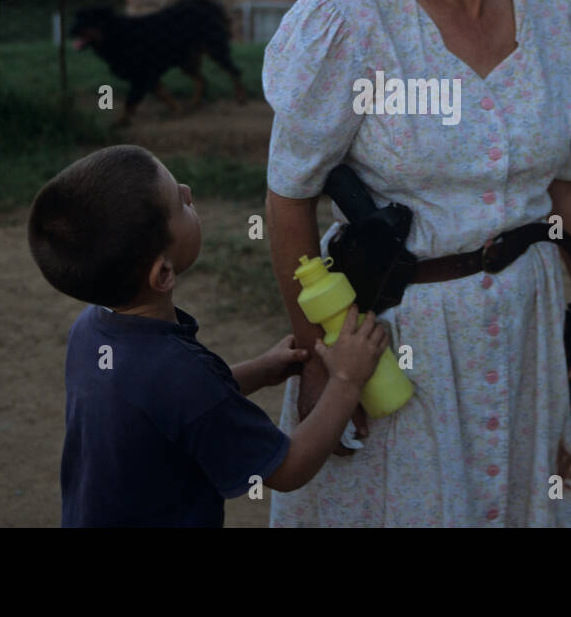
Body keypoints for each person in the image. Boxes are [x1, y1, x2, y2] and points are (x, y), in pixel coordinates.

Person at [263, 0, 571, 527]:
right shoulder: (350, 20)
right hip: (392, 329)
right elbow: (288, 199)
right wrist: (326, 359)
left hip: (524, 318)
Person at [26, 144, 389, 527]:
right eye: (178, 203)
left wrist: (261, 370)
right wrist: (346, 381)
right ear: (163, 274)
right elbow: (288, 469)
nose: (187, 191)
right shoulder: (180, 374)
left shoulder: (89, 330)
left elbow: (173, 409)